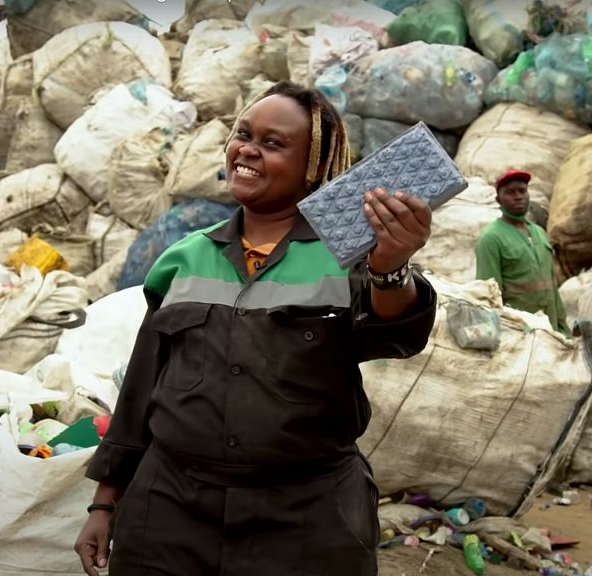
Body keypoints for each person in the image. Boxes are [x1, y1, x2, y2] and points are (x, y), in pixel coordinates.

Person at [74, 81, 437, 576]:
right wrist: (105, 502)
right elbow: (141, 390)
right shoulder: (185, 258)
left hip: (306, 518)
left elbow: (396, 335)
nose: (247, 149)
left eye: (273, 143)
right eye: (243, 134)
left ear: (312, 168)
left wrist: (391, 268)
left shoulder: (352, 257)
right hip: (170, 512)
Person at [475, 170, 568, 335]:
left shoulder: (539, 233)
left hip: (550, 329)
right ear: (498, 200)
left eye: (522, 191)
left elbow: (553, 285)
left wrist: (562, 327)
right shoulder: (491, 238)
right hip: (520, 334)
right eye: (510, 192)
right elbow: (489, 296)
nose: (518, 196)